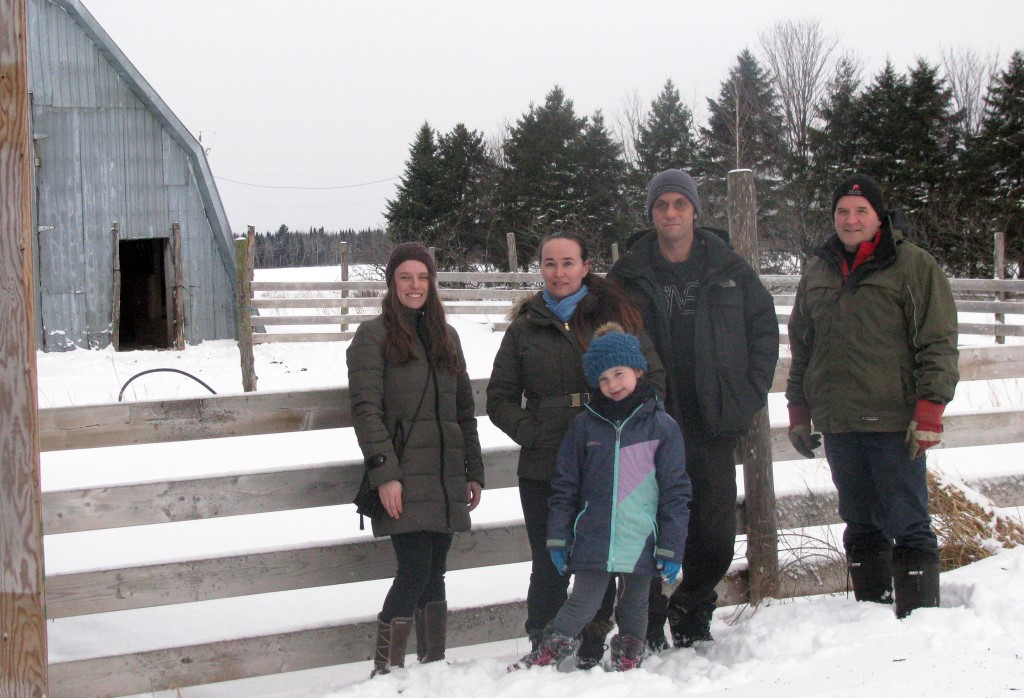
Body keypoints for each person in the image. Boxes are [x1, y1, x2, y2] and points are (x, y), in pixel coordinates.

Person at [608, 169, 779, 650]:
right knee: (646, 525)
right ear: (651, 215)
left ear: (695, 211)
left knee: (715, 536)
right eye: (661, 205)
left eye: (679, 204)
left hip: (712, 420)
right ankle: (650, 613)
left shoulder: (728, 268)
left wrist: (746, 396)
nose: (670, 213)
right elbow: (605, 340)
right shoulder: (628, 274)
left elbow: (764, 332)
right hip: (649, 421)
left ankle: (692, 603)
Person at [487, 232, 666, 668]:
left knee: (600, 554)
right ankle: (542, 644)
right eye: (550, 263)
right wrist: (535, 434)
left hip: (606, 459)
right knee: (548, 559)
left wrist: (623, 432)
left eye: (568, 263)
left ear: (586, 266)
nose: (559, 272)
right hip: (545, 461)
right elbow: (500, 398)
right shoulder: (526, 325)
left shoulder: (614, 316)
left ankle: (591, 641)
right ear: (541, 269)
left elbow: (652, 380)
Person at [786, 174, 959, 618]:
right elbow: (803, 346)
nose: (850, 219)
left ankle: (920, 620)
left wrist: (930, 411)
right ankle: (871, 618)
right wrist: (799, 411)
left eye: (861, 210)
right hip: (839, 421)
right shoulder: (818, 269)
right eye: (842, 211)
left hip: (893, 421)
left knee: (907, 522)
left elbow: (937, 342)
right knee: (859, 522)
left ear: (879, 216)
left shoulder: (912, 266)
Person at [509, 323, 690, 672]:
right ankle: (547, 654)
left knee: (635, 604)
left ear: (638, 370)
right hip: (594, 536)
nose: (612, 384)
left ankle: (627, 659)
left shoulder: (662, 427)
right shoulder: (584, 426)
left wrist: (671, 546)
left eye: (619, 374)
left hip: (641, 536)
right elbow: (565, 486)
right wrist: (559, 537)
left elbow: (675, 492)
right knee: (582, 602)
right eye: (603, 379)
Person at [347, 242, 485, 677]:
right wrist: (385, 474)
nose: (415, 285)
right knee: (414, 570)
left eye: (423, 277)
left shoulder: (447, 336)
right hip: (403, 477)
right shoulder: (373, 336)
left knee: (436, 571)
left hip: (445, 476)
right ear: (391, 282)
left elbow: (464, 411)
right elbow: (366, 411)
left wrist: (473, 472)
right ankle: (385, 673)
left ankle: (432, 668)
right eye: (405, 277)